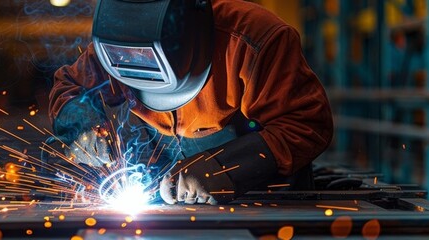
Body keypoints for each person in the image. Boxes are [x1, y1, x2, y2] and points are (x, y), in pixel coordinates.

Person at [48, 0, 332, 205]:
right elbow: (70, 88)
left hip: (266, 199)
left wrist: (224, 167)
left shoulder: (253, 38)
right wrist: (83, 127)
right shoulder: (115, 45)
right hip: (174, 196)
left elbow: (305, 125)